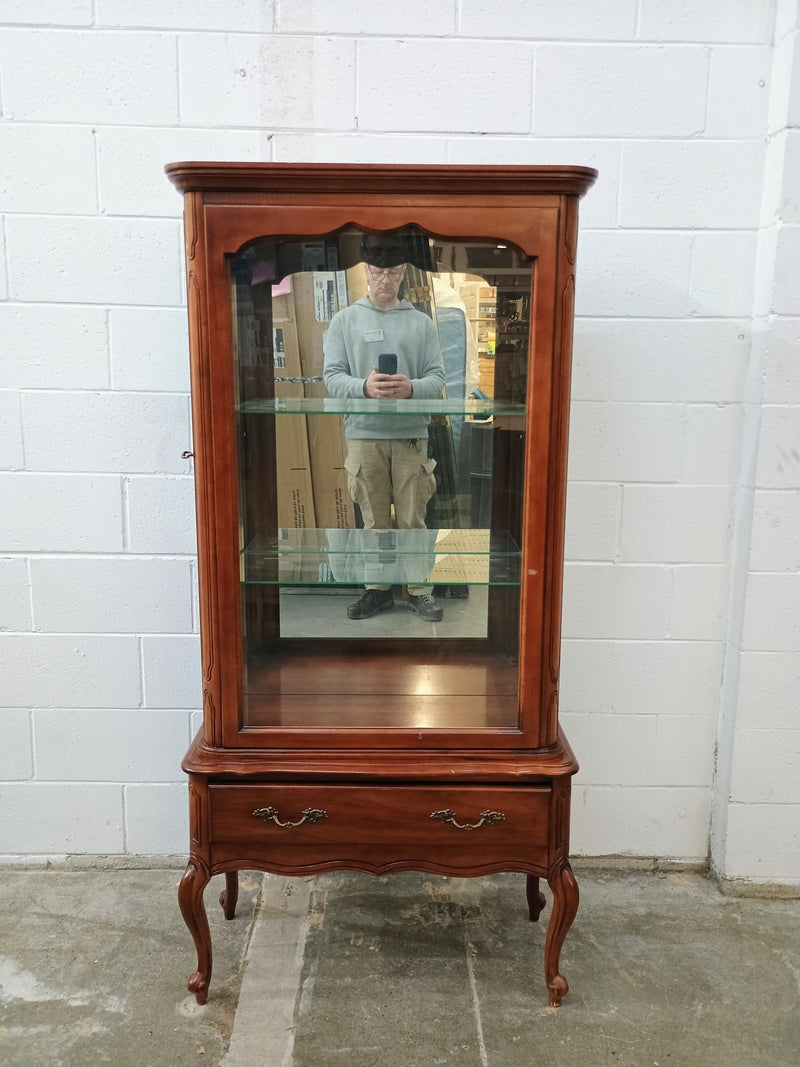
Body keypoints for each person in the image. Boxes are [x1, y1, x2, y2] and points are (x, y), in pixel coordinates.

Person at [323, 236, 447, 621]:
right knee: (373, 520)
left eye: (393, 273)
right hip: (364, 434)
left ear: (404, 273)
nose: (385, 281)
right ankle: (376, 589)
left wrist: (410, 387)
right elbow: (331, 377)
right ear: (366, 272)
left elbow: (438, 377)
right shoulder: (344, 321)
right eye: (378, 273)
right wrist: (364, 387)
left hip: (411, 435)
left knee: (413, 519)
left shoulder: (421, 323)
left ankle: (419, 591)